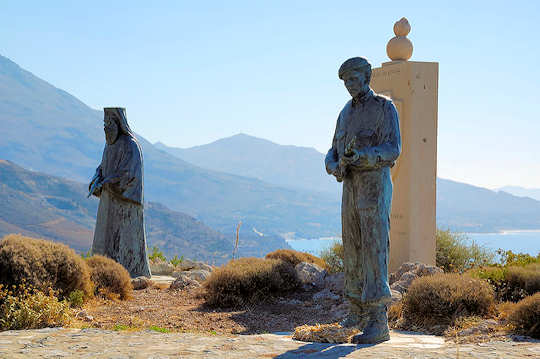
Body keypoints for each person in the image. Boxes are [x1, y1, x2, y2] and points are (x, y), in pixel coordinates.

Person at [325, 57, 401, 344]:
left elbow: (393, 148)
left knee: (373, 249)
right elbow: (332, 150)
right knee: (353, 248)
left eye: (354, 79)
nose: (349, 86)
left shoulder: (384, 108)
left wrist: (364, 157)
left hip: (374, 189)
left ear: (367, 77)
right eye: (345, 81)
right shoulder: (345, 113)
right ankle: (355, 311)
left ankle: (378, 322)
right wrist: (335, 166)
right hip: (351, 188)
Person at [89, 107, 151, 278]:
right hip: (109, 201)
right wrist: (96, 179)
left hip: (126, 204)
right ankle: (103, 271)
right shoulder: (108, 147)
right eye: (104, 124)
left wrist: (108, 182)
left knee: (124, 240)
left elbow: (130, 175)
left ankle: (130, 272)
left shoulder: (131, 146)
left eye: (109, 123)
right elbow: (102, 168)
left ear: (118, 124)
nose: (105, 128)